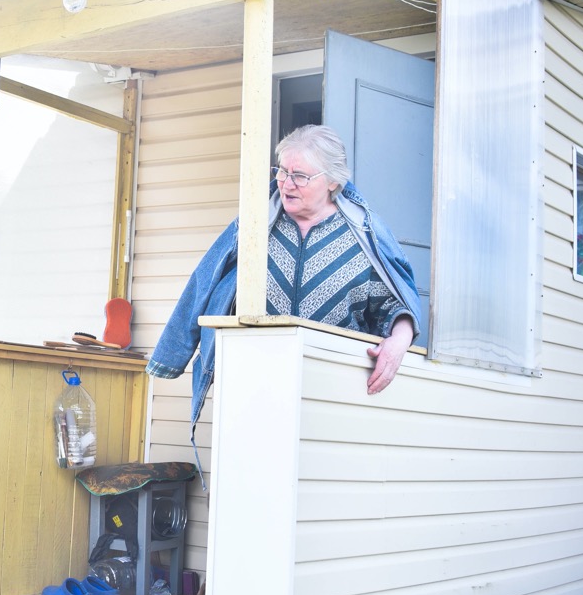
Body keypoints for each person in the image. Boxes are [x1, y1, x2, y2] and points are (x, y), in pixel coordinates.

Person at [147, 125, 421, 437]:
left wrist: (400, 340)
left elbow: (393, 303)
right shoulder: (256, 222)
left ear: (333, 180)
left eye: (300, 176)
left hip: (331, 393)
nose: (286, 184)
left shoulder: (363, 237)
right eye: (282, 171)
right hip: (252, 386)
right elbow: (205, 280)